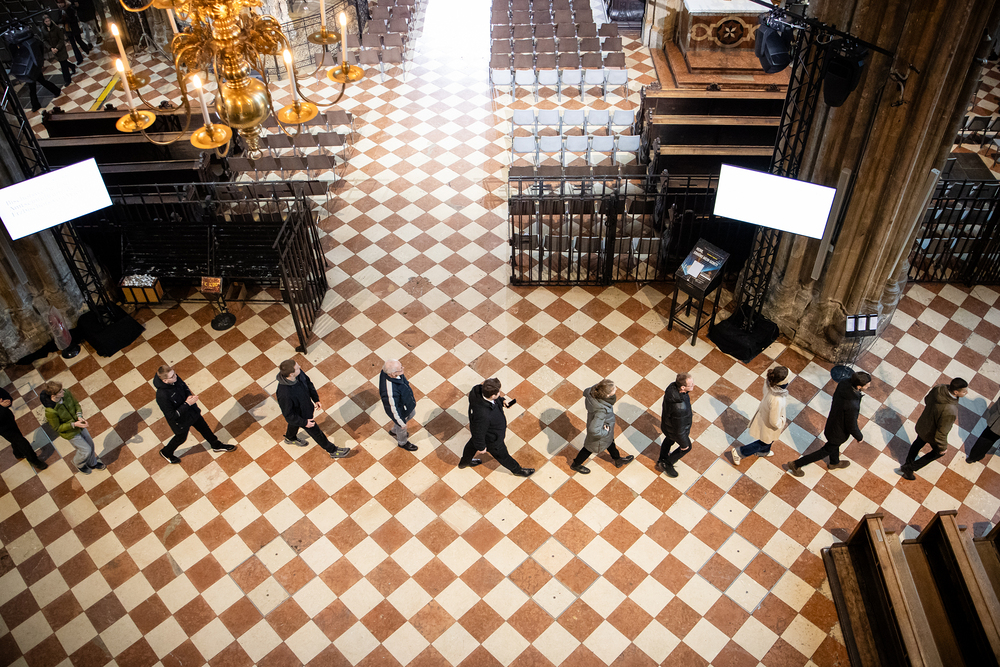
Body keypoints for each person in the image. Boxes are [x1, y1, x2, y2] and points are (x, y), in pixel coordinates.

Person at [787, 371, 871, 476]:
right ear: (859, 386)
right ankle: (796, 464)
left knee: (834, 445)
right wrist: (859, 437)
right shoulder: (851, 404)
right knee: (825, 451)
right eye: (867, 385)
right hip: (838, 432)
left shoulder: (844, 383)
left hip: (832, 422)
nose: (869, 386)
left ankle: (834, 463)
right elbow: (851, 425)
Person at [153, 365, 237, 464]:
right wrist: (187, 404)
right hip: (180, 421)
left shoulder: (175, 378)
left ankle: (216, 445)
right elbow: (172, 415)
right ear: (165, 380)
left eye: (175, 373)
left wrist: (189, 396)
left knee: (205, 429)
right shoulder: (162, 396)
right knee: (181, 438)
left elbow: (184, 387)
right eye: (172, 376)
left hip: (192, 412)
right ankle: (166, 452)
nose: (176, 376)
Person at [459, 378, 534, 477]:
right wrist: (481, 447)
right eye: (498, 392)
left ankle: (464, 462)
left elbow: (492, 399)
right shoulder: (484, 415)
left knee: (471, 446)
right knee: (503, 456)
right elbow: (478, 432)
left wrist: (502, 401)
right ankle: (517, 470)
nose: (500, 393)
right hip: (492, 439)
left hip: (485, 430)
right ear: (492, 396)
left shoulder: (477, 390)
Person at [276, 360, 349, 458]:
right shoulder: (284, 393)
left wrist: (315, 399)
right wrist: (304, 422)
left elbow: (308, 383)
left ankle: (290, 438)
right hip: (303, 417)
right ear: (291, 374)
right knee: (317, 433)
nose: (300, 367)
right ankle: (333, 450)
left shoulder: (299, 374)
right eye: (297, 368)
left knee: (294, 424)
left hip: (306, 408)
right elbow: (288, 415)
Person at [900, 377, 968, 480]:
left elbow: (927, 400)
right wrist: (943, 447)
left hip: (924, 423)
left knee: (918, 442)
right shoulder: (950, 410)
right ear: (956, 392)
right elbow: (942, 432)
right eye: (964, 391)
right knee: (937, 452)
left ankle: (907, 464)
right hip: (931, 433)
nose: (966, 393)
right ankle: (909, 468)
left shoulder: (939, 388)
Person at [570, 379, 633, 474]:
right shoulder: (601, 410)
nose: (616, 388)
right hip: (601, 433)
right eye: (613, 389)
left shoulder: (594, 391)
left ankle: (617, 459)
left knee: (610, 443)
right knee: (588, 449)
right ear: (607, 395)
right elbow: (594, 430)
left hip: (604, 429)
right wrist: (605, 432)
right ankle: (576, 465)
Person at [40, 380, 103, 474]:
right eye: (60, 392)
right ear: (54, 395)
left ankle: (92, 464)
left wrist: (79, 415)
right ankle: (78, 463)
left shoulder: (66, 393)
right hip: (70, 433)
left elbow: (76, 404)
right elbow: (57, 428)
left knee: (91, 445)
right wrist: (74, 424)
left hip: (79, 425)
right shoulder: (51, 411)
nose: (63, 392)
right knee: (85, 450)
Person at [732, 366, 790, 465]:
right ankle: (739, 452)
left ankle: (764, 452)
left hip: (764, 413)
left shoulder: (769, 383)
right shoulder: (777, 399)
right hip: (769, 423)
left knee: (769, 439)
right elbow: (774, 421)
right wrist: (781, 421)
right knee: (765, 442)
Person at [657, 372, 695, 478]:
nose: (693, 385)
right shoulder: (680, 408)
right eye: (691, 385)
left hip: (667, 425)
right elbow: (679, 430)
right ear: (683, 387)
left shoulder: (672, 389)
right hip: (674, 429)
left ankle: (662, 458)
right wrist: (684, 444)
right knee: (687, 448)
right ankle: (667, 463)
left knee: (669, 439)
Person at [0, 388, 47, 471]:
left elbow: (6, 395)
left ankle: (18, 453)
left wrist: (8, 401)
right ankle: (33, 460)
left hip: (9, 419)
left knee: (17, 438)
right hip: (2, 428)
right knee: (22, 442)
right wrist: (1, 407)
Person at [379, 359, 418, 451]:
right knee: (402, 427)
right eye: (401, 369)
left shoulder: (391, 373)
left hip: (406, 404)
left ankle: (394, 431)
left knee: (412, 414)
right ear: (393, 374)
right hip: (400, 411)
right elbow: (392, 409)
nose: (403, 369)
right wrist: (400, 422)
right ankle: (402, 442)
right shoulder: (389, 391)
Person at [42, 13, 76, 87]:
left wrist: (57, 48)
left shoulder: (56, 28)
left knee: (63, 65)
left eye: (48, 21)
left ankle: (67, 80)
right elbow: (44, 40)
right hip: (53, 49)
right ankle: (72, 66)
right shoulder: (43, 29)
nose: (48, 22)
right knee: (63, 62)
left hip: (60, 48)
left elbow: (61, 39)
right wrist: (50, 48)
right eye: (46, 21)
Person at [967, 393, 1000, 463]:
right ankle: (973, 457)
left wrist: (990, 416)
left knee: (985, 440)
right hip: (996, 426)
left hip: (995, 424)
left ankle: (973, 457)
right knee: (986, 441)